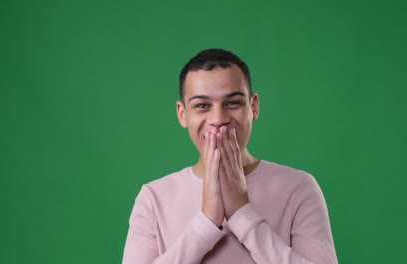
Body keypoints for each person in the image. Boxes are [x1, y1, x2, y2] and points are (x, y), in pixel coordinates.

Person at [122, 48, 338, 264]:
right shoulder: (153, 198)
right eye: (202, 106)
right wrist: (205, 223)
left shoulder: (299, 188)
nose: (217, 119)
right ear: (182, 114)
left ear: (253, 107)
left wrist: (243, 215)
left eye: (232, 103)